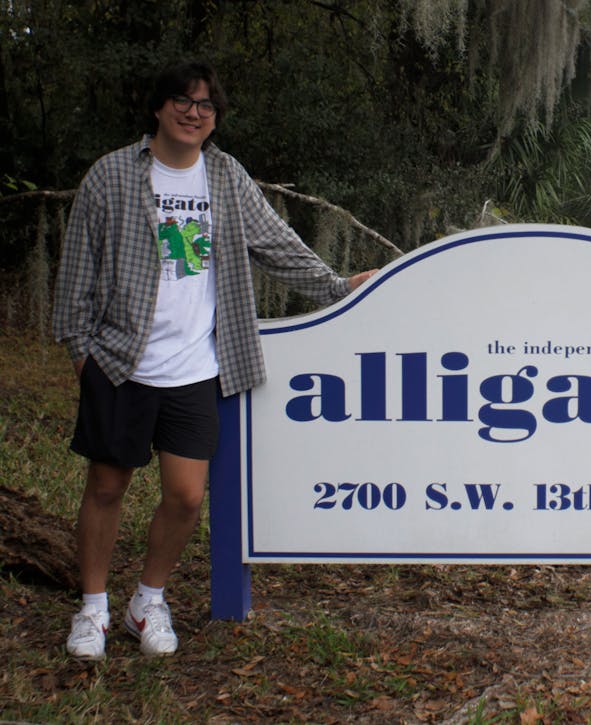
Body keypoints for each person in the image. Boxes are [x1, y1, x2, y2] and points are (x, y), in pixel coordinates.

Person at [52, 60, 377, 660]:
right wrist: (83, 357)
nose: (194, 111)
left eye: (206, 104)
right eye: (182, 99)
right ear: (158, 106)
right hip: (121, 362)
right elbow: (75, 273)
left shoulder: (225, 177)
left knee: (185, 497)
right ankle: (92, 610)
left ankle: (147, 601)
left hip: (199, 368)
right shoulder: (112, 176)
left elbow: (276, 244)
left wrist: (337, 287)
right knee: (106, 484)